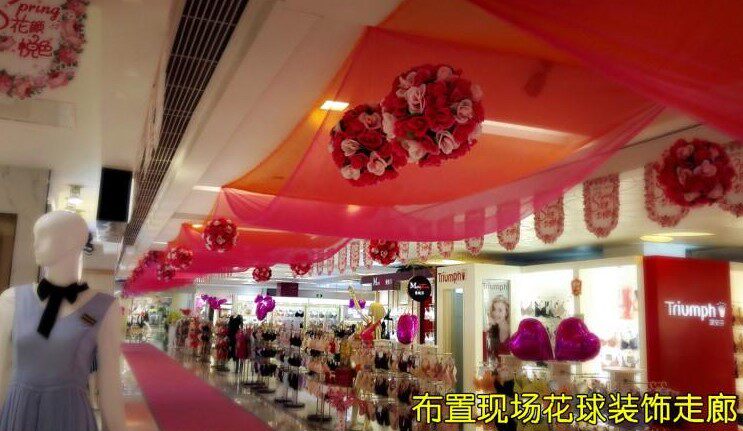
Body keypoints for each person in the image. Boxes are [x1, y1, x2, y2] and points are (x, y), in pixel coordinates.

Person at [486, 296, 511, 361]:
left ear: (506, 313)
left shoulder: (512, 331)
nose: (496, 313)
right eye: (494, 309)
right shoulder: (493, 330)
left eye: (500, 310)